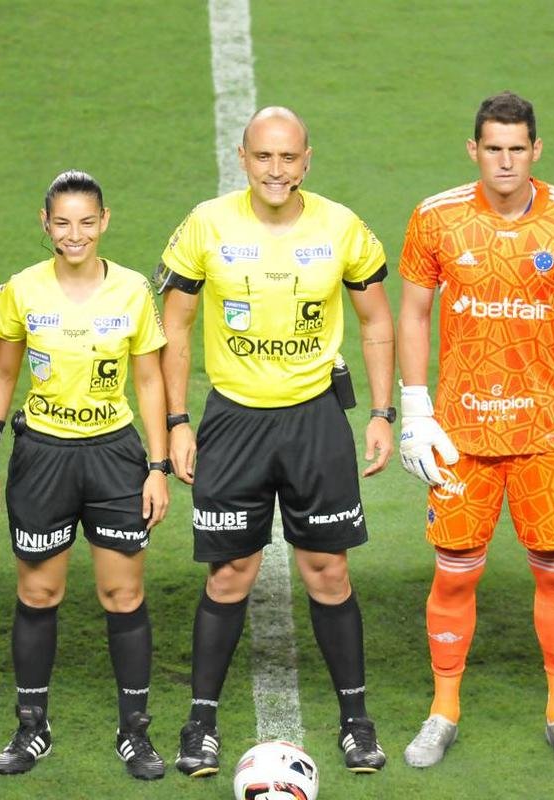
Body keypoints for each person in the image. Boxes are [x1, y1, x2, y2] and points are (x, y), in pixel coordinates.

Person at [157, 106, 395, 777]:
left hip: (313, 420)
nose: (276, 170)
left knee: (329, 571)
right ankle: (199, 723)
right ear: (243, 158)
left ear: (306, 161)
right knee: (230, 573)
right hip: (232, 420)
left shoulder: (340, 226)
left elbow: (377, 319)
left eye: (288, 158)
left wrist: (381, 411)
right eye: (264, 157)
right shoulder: (206, 224)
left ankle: (355, 721)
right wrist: (176, 421)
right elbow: (171, 328)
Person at [395, 91, 554, 771]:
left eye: (516, 147)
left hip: (549, 434)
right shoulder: (434, 219)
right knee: (454, 576)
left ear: (535, 150)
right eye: (491, 147)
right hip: (460, 435)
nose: (503, 160)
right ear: (473, 151)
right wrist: (415, 412)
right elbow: (410, 313)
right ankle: (442, 712)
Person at [0, 170, 170, 780]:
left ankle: (134, 733)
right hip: (42, 459)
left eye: (87, 221)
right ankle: (33, 729)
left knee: (124, 595)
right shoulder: (21, 291)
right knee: (38, 594)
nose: (75, 233)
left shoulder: (135, 291)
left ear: (104, 222)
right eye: (63, 222)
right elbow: (4, 376)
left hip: (114, 458)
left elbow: (149, 381)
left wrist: (158, 467)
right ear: (45, 223)